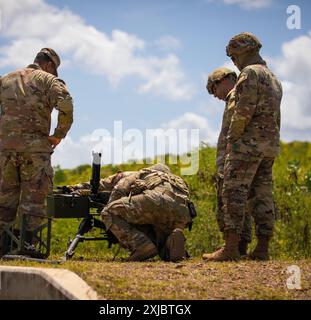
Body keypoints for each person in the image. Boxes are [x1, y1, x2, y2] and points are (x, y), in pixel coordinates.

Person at [0, 48, 74, 260]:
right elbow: (66, 104)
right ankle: (28, 248)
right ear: (49, 65)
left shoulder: (6, 79)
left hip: (7, 150)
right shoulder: (48, 80)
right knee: (34, 199)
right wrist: (58, 135)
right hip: (36, 151)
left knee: (5, 199)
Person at [203, 32, 282, 261]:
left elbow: (243, 111)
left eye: (233, 56)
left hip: (246, 145)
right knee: (262, 196)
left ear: (243, 50)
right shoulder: (273, 77)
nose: (233, 62)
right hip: (268, 146)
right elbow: (275, 116)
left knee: (233, 192)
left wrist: (232, 141)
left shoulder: (249, 73)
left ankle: (230, 249)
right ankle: (263, 248)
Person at [70, 164, 195, 262]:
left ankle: (141, 245)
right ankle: (171, 241)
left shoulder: (142, 173)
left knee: (108, 212)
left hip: (157, 200)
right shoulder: (176, 180)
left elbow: (119, 187)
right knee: (159, 236)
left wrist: (113, 209)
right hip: (183, 213)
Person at [203, 67, 252, 260]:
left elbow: (235, 130)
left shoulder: (235, 97)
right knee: (243, 203)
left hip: (233, 161)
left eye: (213, 90)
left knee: (230, 202)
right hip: (240, 159)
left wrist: (228, 158)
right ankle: (240, 249)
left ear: (222, 80)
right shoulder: (239, 96)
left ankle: (231, 249)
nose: (214, 96)